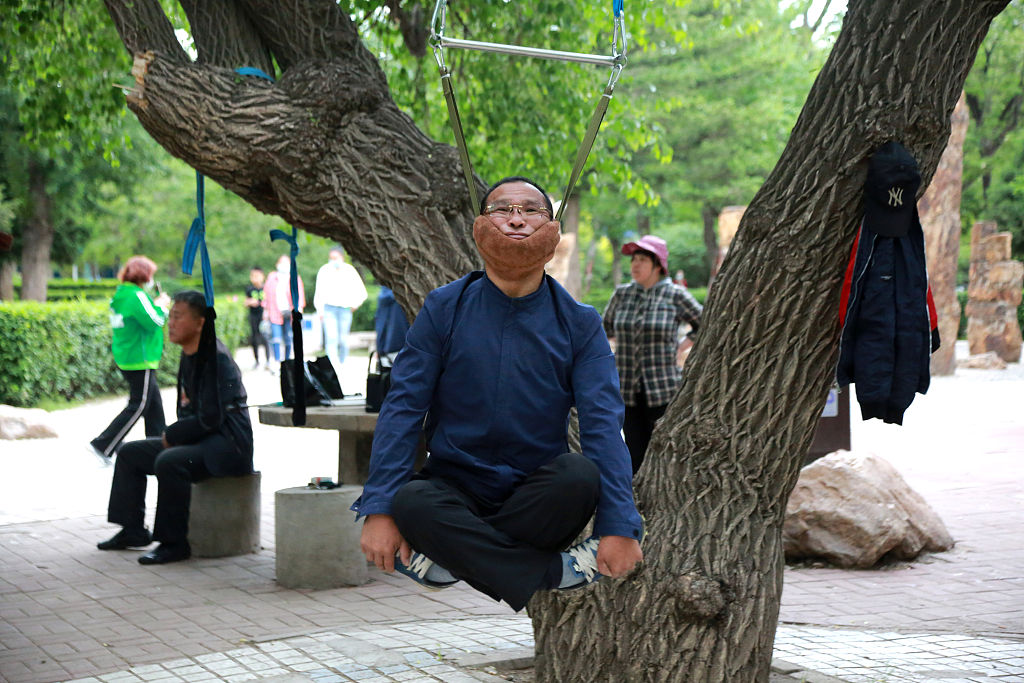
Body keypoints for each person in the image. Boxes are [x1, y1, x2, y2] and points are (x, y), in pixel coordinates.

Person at [355, 177, 644, 613]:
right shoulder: (443, 308)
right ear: (480, 226)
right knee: (412, 501)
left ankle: (455, 559)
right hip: (453, 487)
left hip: (537, 493)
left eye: (531, 210)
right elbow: (403, 409)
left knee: (580, 475)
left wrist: (620, 526)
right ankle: (549, 573)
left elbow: (603, 425)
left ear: (552, 229)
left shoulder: (579, 323)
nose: (516, 218)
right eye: (502, 209)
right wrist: (379, 509)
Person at [96, 291, 254, 564]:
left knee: (170, 461)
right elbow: (190, 411)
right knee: (130, 453)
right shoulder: (189, 354)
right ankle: (132, 530)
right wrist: (176, 433)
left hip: (228, 445)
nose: (170, 323)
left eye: (177, 317)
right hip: (202, 439)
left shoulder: (215, 357)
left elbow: (212, 418)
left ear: (200, 323)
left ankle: (174, 544)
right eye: (170, 317)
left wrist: (173, 434)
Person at [603, 235, 703, 474]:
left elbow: (705, 324)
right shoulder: (622, 294)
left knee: (662, 452)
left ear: (658, 265)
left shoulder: (675, 295)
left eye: (642, 260)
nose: (635, 265)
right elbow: (605, 327)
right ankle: (636, 504)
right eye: (633, 260)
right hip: (626, 390)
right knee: (634, 452)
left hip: (664, 389)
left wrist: (682, 345)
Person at [88, 256, 171, 465]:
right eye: (151, 274)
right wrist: (163, 305)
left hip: (129, 356)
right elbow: (155, 321)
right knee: (139, 404)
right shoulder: (137, 295)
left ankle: (159, 449)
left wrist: (154, 304)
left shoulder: (121, 294)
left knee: (154, 406)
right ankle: (103, 444)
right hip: (140, 359)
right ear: (144, 275)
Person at [313, 247, 368, 379]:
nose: (333, 261)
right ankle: (332, 365)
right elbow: (319, 292)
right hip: (329, 309)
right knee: (331, 338)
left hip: (344, 310)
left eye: (335, 258)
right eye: (331, 258)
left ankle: (342, 362)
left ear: (342, 257)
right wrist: (319, 310)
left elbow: (361, 291)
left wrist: (355, 305)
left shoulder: (349, 271)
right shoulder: (324, 270)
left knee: (343, 339)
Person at [263, 254, 306, 365]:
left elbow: (299, 294)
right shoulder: (272, 277)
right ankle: (277, 361)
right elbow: (266, 295)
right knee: (276, 337)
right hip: (274, 311)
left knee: (288, 337)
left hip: (290, 312)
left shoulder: (294, 277)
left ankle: (287, 361)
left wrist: (299, 309)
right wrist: (265, 310)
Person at [244, 266, 271, 369]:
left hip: (264, 316)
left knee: (265, 338)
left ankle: (268, 360)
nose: (254, 278)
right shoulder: (249, 289)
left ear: (262, 276)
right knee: (254, 338)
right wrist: (250, 302)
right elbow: (245, 302)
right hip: (253, 315)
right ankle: (257, 361)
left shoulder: (266, 288)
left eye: (257, 276)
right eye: (252, 276)